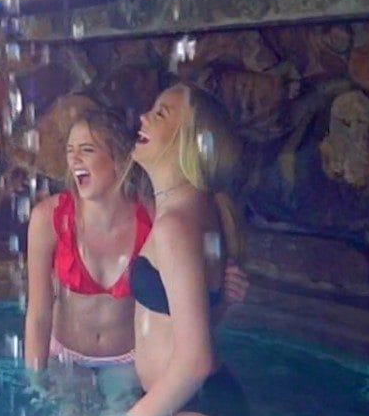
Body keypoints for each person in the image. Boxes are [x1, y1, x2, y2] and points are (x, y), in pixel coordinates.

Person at [23, 105, 245, 374]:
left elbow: (181, 320)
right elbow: (38, 314)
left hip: (129, 360)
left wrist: (222, 299)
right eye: (70, 150)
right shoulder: (48, 218)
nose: (74, 159)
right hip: (64, 355)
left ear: (118, 159)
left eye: (87, 150)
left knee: (126, 402)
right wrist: (35, 380)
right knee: (63, 403)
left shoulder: (155, 220)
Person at [106, 82, 249, 416]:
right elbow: (188, 322)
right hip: (178, 402)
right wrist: (223, 304)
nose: (143, 117)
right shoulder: (199, 210)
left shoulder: (176, 226)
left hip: (193, 412)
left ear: (189, 140)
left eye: (160, 114)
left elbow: (197, 361)